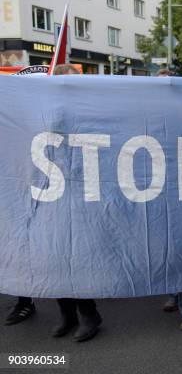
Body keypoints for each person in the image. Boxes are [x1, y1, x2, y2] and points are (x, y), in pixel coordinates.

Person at [47, 64, 104, 342]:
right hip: (49, 194)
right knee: (53, 256)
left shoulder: (89, 110)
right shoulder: (45, 109)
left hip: (81, 193)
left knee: (76, 257)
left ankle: (88, 314)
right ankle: (66, 314)